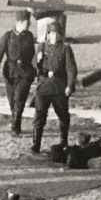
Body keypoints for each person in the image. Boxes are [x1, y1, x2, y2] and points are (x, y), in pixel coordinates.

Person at [0, 10, 37, 137]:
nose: (29, 24)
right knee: (12, 101)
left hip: (25, 73)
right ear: (20, 22)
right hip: (10, 72)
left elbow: (32, 55)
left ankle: (15, 126)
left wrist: (36, 70)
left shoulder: (29, 36)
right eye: (27, 22)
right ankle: (17, 121)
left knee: (19, 98)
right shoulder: (8, 36)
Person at [31, 21, 77, 154]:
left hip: (58, 87)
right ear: (48, 34)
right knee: (39, 115)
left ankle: (64, 140)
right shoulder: (42, 47)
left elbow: (71, 68)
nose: (54, 36)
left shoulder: (65, 49)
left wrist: (70, 85)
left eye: (56, 33)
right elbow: (33, 64)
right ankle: (36, 143)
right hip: (43, 87)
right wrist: (37, 60)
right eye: (51, 33)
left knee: (62, 114)